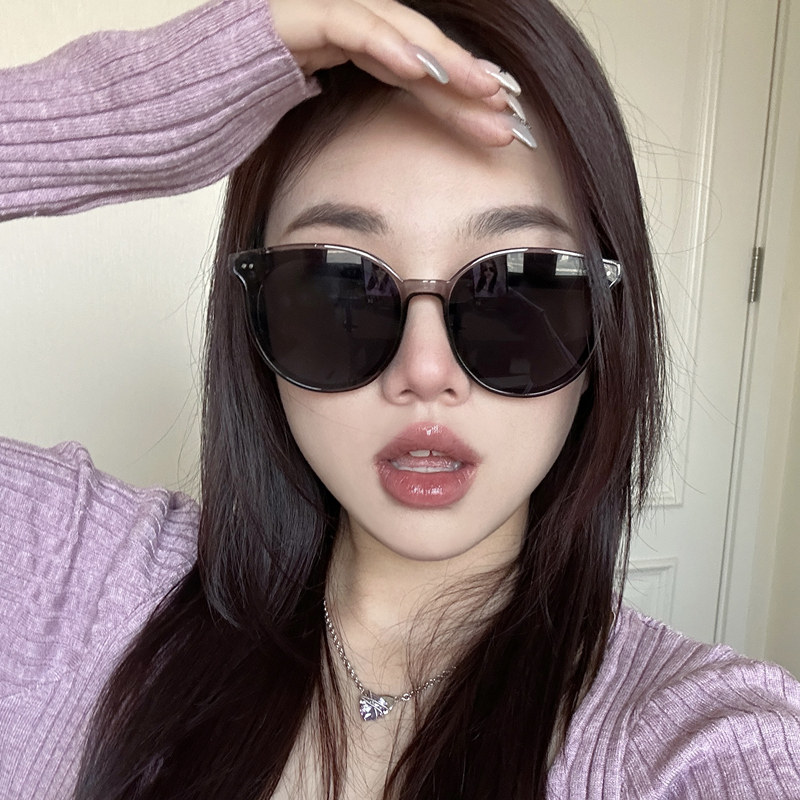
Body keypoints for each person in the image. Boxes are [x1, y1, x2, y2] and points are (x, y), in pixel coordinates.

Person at [1, 0, 799, 798]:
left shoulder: (698, 742)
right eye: (336, 286)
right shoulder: (74, 586)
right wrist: (158, 97)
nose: (425, 368)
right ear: (254, 323)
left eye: (519, 293)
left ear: (603, 333)